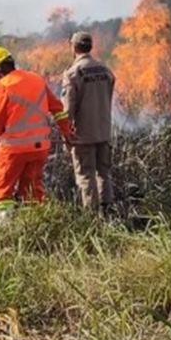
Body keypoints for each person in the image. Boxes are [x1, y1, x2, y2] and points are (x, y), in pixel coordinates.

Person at [0, 46, 72, 221]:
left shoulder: (3, 85)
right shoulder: (37, 79)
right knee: (33, 193)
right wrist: (66, 133)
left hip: (13, 149)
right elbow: (58, 109)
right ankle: (38, 228)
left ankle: (6, 231)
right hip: (40, 149)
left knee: (2, 193)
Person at [61, 31, 116, 213]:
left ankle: (91, 217)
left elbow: (68, 110)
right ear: (90, 47)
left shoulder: (73, 73)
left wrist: (67, 135)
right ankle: (107, 213)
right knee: (104, 174)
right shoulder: (105, 70)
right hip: (104, 132)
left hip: (83, 135)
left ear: (74, 47)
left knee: (86, 176)